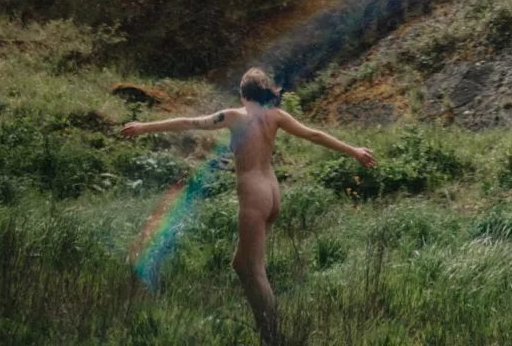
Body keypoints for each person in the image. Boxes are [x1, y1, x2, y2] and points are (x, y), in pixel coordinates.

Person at [121, 66, 376, 343]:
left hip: (254, 194)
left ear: (243, 94)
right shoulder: (276, 115)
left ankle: (272, 337)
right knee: (242, 264)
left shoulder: (235, 116)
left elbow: (190, 122)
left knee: (254, 271)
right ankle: (268, 331)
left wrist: (145, 127)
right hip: (272, 192)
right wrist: (354, 150)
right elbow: (313, 135)